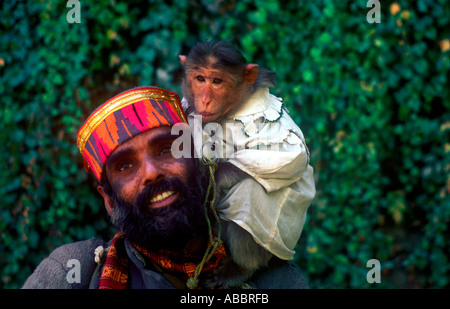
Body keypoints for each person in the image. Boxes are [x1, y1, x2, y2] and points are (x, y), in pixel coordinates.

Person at [22, 86, 309, 289]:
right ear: (109, 201)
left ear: (200, 161)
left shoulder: (274, 280)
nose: (151, 173)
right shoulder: (74, 273)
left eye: (165, 149)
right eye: (125, 166)